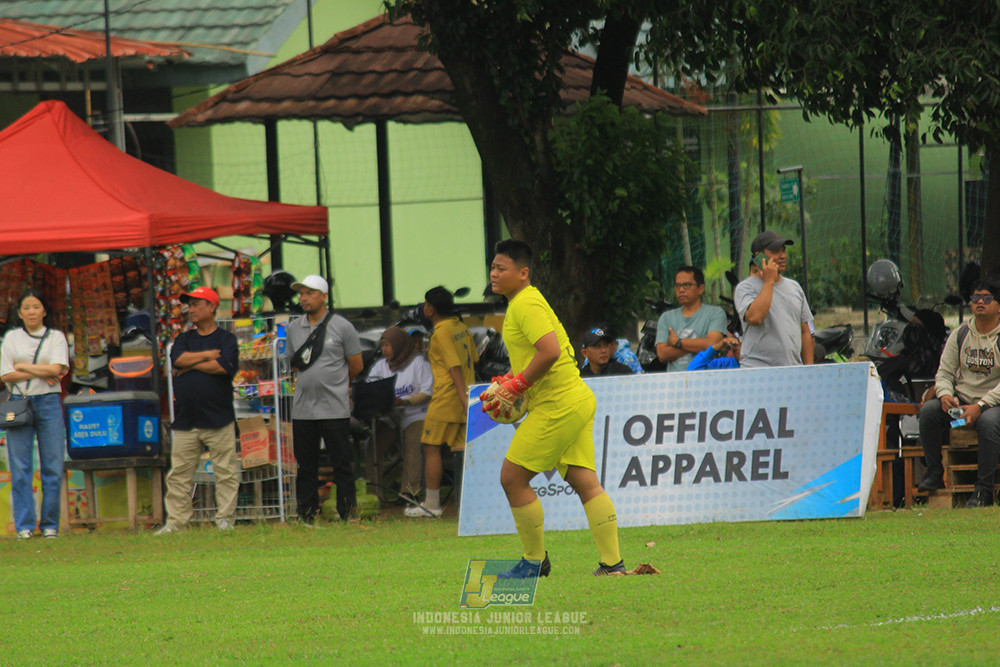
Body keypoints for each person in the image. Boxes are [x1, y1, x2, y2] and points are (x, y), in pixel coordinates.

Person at [482, 239, 625, 577]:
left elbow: (550, 352)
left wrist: (516, 386)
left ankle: (534, 563)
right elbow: (543, 354)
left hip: (558, 403)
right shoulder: (527, 301)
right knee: (585, 481)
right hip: (574, 396)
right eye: (493, 267)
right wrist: (513, 377)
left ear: (523, 272)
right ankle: (613, 565)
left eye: (501, 268)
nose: (494, 273)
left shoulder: (524, 304)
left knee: (512, 479)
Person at [158, 286, 240, 534]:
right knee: (179, 475)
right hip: (186, 420)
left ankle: (225, 519)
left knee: (226, 472)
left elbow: (224, 367)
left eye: (196, 304)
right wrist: (206, 356)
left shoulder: (227, 339)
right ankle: (175, 523)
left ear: (212, 307)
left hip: (219, 418)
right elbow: (177, 360)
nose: (191, 309)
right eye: (189, 305)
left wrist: (192, 365)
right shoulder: (183, 339)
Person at [916, 280, 1000, 507]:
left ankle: (983, 491)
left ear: (999, 306)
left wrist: (981, 406)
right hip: (961, 401)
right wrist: (944, 395)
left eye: (987, 298)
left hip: (993, 404)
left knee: (989, 423)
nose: (980, 302)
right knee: (929, 411)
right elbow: (943, 372)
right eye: (975, 298)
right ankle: (934, 474)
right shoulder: (960, 333)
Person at [286, 275, 363, 522]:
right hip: (303, 410)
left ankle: (348, 514)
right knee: (306, 467)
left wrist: (336, 384)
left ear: (323, 296)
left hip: (334, 409)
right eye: (301, 294)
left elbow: (356, 365)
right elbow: (294, 364)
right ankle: (306, 515)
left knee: (342, 465)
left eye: (309, 293)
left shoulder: (342, 326)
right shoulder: (293, 328)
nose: (304, 298)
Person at [0, 290, 69, 539]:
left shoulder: (56, 337)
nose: (31, 312)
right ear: (19, 313)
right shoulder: (11, 338)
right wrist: (42, 371)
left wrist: (24, 366)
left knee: (53, 465)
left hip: (49, 402)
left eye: (36, 307)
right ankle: (24, 527)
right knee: (20, 467)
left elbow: (58, 368)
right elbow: (6, 375)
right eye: (26, 307)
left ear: (44, 311)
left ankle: (50, 525)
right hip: (19, 402)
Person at [406, 287, 478, 518]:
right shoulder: (461, 327)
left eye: (426, 304)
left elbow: (454, 366)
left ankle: (432, 504)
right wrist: (467, 398)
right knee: (461, 450)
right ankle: (468, 503)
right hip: (466, 394)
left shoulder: (441, 333)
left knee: (431, 446)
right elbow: (473, 359)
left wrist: (461, 398)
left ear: (430, 309)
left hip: (448, 397)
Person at [366, 326, 433, 502]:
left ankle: (409, 492)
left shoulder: (419, 364)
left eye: (388, 345)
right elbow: (370, 388)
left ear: (399, 344)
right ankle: (375, 494)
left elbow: (427, 392)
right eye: (382, 345)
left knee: (412, 446)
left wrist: (406, 402)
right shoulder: (381, 366)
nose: (384, 350)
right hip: (389, 416)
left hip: (415, 414)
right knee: (374, 447)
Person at [733, 231, 815, 368]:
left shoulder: (795, 287)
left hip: (793, 369)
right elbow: (755, 318)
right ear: (759, 257)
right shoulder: (745, 288)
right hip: (757, 370)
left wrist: (809, 368)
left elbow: (805, 331)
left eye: (783, 251)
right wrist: (769, 281)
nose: (783, 256)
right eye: (775, 252)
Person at [655, 266, 727, 372]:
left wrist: (677, 342)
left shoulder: (715, 313)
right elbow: (662, 354)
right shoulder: (666, 318)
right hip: (674, 383)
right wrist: (699, 345)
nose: (681, 290)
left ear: (700, 289)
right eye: (677, 286)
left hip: (705, 381)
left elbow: (712, 344)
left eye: (686, 285)